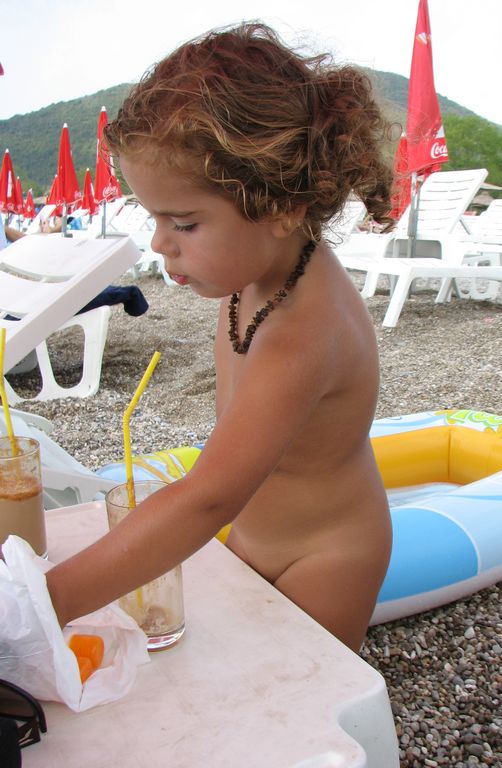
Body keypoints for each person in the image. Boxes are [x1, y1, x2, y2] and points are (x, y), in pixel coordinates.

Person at [46, 22, 394, 652]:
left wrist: (48, 602)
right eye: (153, 217)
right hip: (251, 535)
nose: (160, 242)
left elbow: (209, 498)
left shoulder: (305, 330)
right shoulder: (250, 277)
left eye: (184, 222)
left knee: (306, 691)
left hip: (326, 553)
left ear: (281, 206)